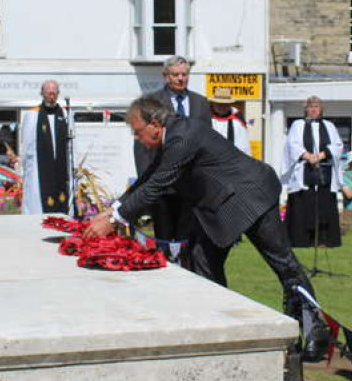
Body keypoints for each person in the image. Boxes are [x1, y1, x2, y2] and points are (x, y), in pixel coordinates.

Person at [85, 96, 330, 362]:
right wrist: (113, 209)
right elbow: (148, 178)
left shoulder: (181, 137)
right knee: (202, 260)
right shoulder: (171, 136)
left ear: (155, 124)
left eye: (137, 132)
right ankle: (218, 328)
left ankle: (316, 330)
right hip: (220, 207)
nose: (137, 139)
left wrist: (113, 220)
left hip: (251, 195)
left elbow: (157, 186)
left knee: (283, 263)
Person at [133, 56, 210, 246]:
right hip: (163, 185)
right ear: (166, 76)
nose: (181, 78)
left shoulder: (200, 103)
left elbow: (208, 141)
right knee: (164, 241)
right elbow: (142, 145)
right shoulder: (150, 103)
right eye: (176, 74)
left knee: (189, 242)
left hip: (192, 185)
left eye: (184, 74)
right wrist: (147, 180)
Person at [281, 96, 343, 248]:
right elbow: (292, 144)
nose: (314, 109)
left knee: (324, 203)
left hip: (324, 169)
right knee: (303, 203)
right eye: (311, 106)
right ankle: (301, 239)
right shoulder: (298, 124)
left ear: (321, 109)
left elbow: (338, 145)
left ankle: (323, 239)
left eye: (317, 106)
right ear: (306, 109)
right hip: (303, 169)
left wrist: (322, 155)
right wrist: (307, 156)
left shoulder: (329, 126)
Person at [19, 80, 72, 215]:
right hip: (38, 168)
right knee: (37, 203)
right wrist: (23, 167)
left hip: (60, 168)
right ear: (42, 94)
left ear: (58, 94)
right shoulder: (32, 115)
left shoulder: (66, 115)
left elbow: (71, 145)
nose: (51, 96)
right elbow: (25, 144)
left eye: (54, 93)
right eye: (48, 93)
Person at [208, 86, 250, 155]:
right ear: (213, 104)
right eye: (219, 104)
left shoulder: (237, 121)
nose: (222, 107)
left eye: (225, 104)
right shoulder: (205, 117)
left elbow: (244, 149)